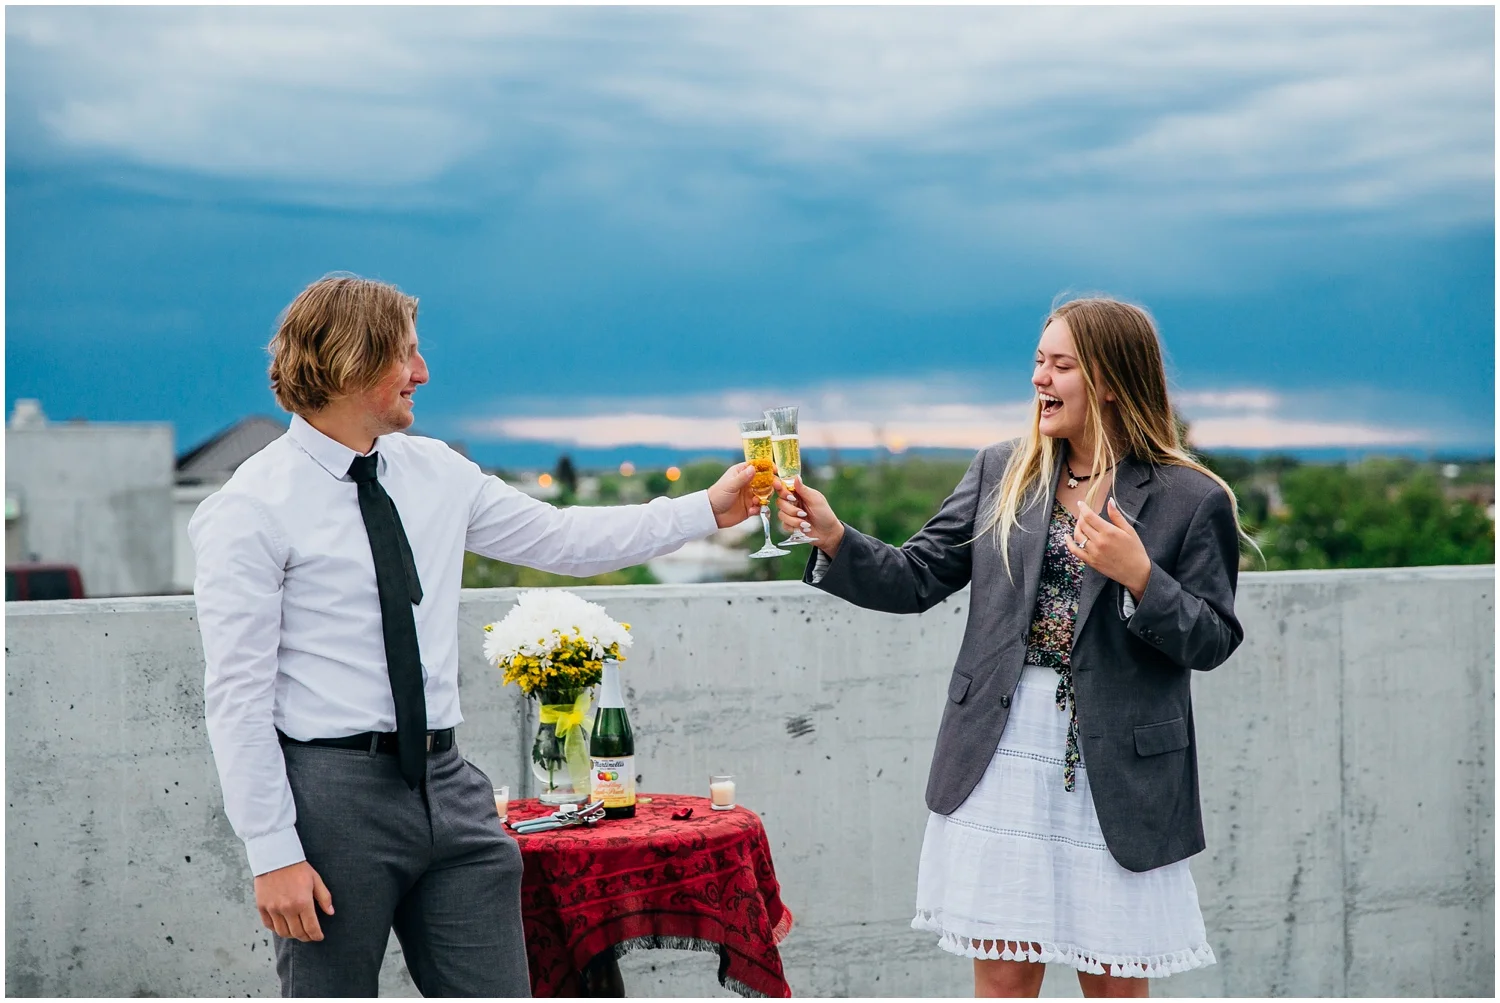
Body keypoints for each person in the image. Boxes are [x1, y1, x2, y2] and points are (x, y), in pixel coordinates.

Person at [191, 274, 760, 997]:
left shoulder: (438, 472)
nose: (423, 373)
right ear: (350, 360)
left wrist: (704, 510)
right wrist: (272, 851)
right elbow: (236, 697)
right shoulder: (248, 509)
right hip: (332, 801)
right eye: (406, 354)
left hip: (452, 786)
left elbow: (566, 539)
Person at [776, 297, 1244, 998]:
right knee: (1002, 979)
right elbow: (916, 576)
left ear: (1110, 379)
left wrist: (1140, 575)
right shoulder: (1003, 470)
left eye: (1060, 365)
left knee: (1115, 982)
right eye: (1037, 361)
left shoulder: (1192, 497)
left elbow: (1212, 636)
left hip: (1121, 765)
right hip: (1001, 751)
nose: (1039, 379)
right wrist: (835, 537)